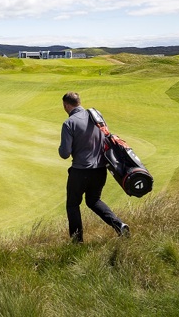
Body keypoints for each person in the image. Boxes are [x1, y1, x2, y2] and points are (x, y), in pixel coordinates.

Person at [58, 91, 130, 243]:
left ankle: (77, 243)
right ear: (79, 102)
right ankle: (119, 225)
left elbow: (64, 153)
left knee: (72, 205)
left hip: (80, 171)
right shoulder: (96, 115)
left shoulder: (69, 123)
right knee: (93, 201)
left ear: (66, 105)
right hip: (100, 170)